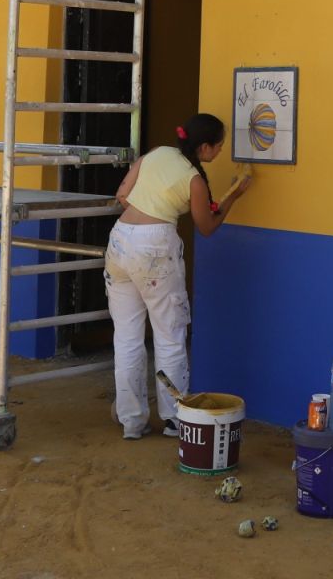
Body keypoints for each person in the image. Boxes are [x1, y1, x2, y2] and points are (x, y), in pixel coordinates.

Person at [106, 112, 252, 439]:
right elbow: (207, 226)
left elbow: (123, 195)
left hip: (120, 241)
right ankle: (174, 418)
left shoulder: (154, 154)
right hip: (156, 247)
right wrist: (234, 199)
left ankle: (131, 421)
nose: (219, 153)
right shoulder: (194, 180)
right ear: (203, 147)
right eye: (218, 147)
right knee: (170, 336)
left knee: (127, 338)